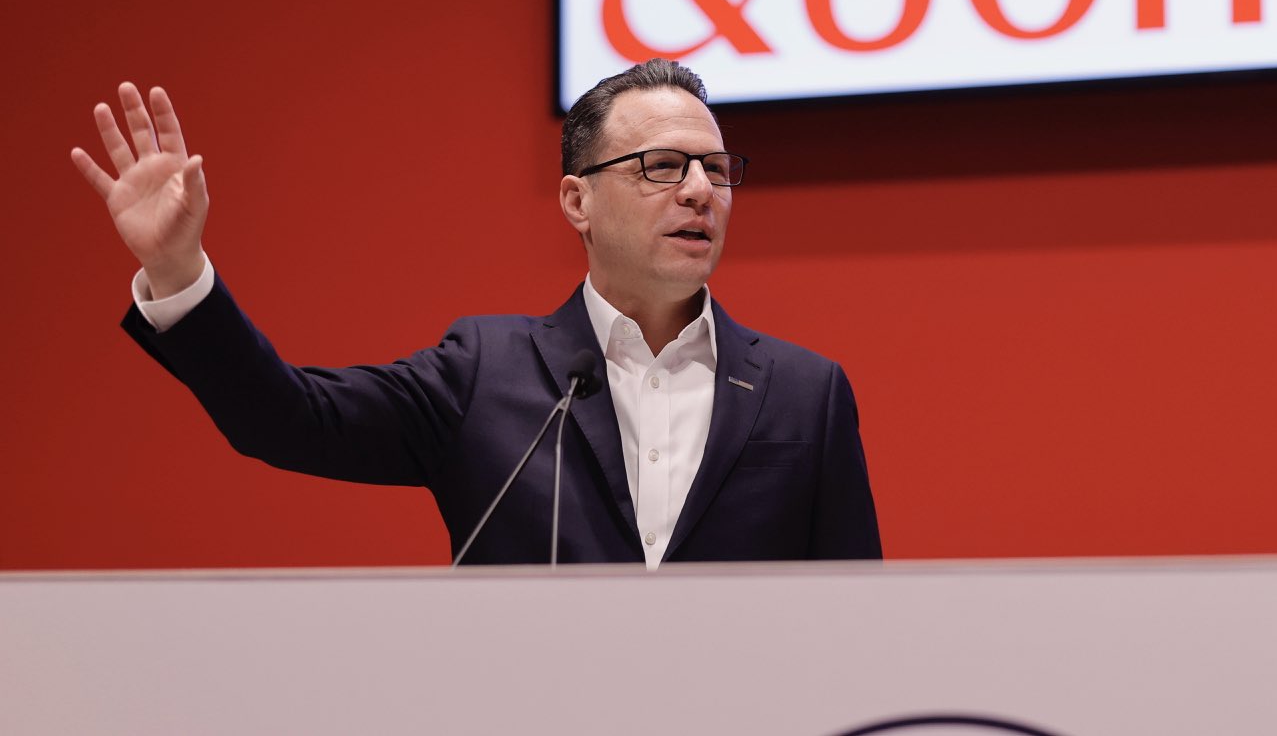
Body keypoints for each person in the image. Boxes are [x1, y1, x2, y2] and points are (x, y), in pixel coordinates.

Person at [72, 61, 882, 566]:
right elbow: (287, 419)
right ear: (578, 200)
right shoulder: (485, 373)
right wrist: (178, 269)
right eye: (661, 166)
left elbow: (858, 625)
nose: (700, 190)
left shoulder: (804, 393)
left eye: (716, 169)